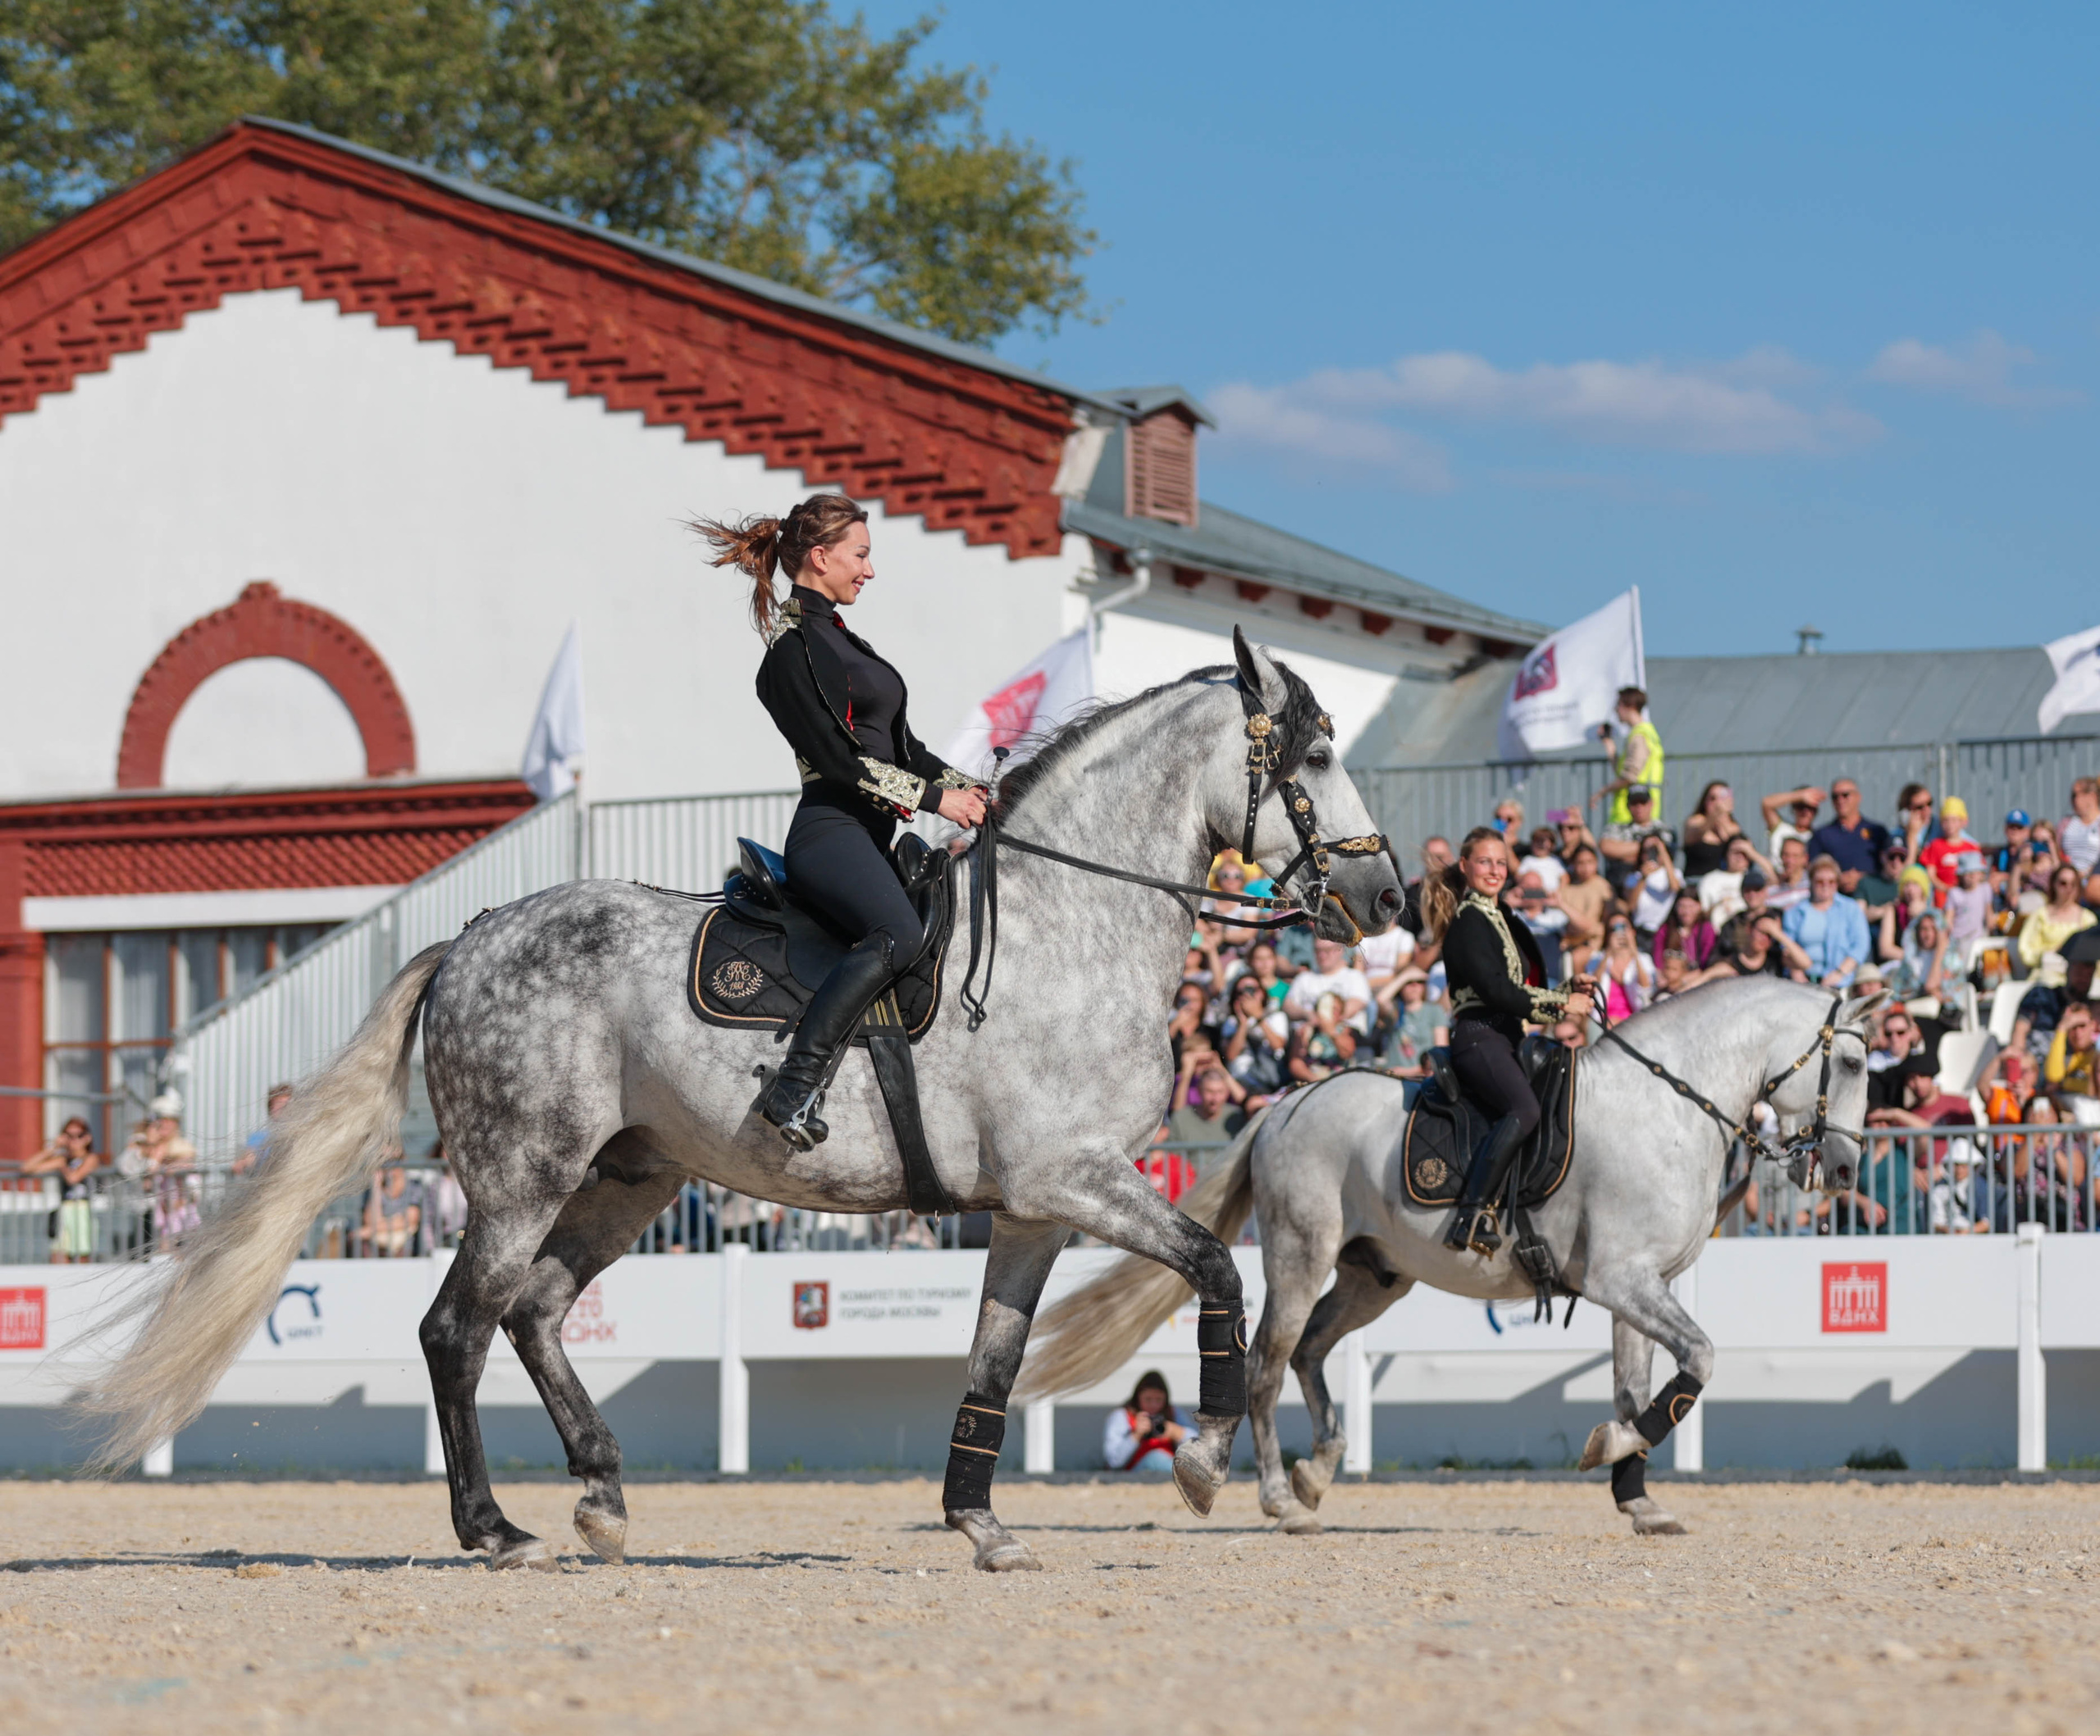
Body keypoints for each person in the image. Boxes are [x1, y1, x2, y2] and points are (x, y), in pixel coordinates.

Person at [699, 494, 987, 1148]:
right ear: (821, 557)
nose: (870, 571)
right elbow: (837, 758)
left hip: (871, 832)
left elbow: (906, 750)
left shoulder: (843, 640)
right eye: (861, 555)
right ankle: (794, 1086)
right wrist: (935, 801)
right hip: (830, 833)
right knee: (898, 935)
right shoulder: (791, 648)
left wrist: (975, 788)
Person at [1422, 827, 1591, 1253]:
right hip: (1480, 1037)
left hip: (1507, 1037)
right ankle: (1472, 1213)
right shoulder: (1468, 921)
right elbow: (1498, 992)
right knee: (1524, 1108)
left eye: (1501, 863)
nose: (1494, 870)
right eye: (1485, 862)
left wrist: (1570, 989)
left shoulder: (1501, 919)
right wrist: (1561, 1004)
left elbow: (1522, 984)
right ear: (1465, 867)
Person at [1783, 855, 1870, 989]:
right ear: (1811, 881)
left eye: (1831, 881)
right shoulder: (1795, 912)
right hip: (1801, 983)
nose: (1826, 886)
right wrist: (1797, 974)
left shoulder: (1851, 908)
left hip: (1840, 982)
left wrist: (1839, 974)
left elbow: (1861, 945)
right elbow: (1787, 947)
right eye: (1820, 881)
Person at [21, 1118, 101, 1264]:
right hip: (65, 1210)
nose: (74, 1140)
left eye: (79, 1135)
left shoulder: (91, 1158)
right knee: (58, 1257)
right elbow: (27, 1167)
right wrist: (52, 1148)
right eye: (69, 1136)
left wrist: (61, 1165)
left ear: (87, 1138)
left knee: (82, 1258)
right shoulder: (62, 1159)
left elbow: (74, 1178)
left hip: (82, 1211)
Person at [1591, 687, 1664, 826]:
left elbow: (1630, 776)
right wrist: (1608, 743)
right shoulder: (1646, 733)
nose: (1616, 710)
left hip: (1633, 812)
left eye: (1618, 705)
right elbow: (1624, 771)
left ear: (1630, 706)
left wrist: (1601, 792)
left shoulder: (1640, 735)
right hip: (1640, 810)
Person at [1810, 779, 1893, 897]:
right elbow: (1814, 869)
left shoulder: (1877, 831)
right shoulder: (1822, 834)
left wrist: (1863, 878)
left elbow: (1891, 867)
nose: (1840, 800)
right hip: (1835, 900)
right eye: (1835, 796)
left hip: (1873, 899)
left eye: (1845, 795)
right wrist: (1838, 879)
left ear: (1858, 797)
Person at [1284, 935, 1372, 1035]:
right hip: (1309, 1037)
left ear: (1340, 950)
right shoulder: (1304, 978)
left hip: (1345, 1035)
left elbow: (1355, 1005)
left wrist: (1322, 1019)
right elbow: (1288, 1006)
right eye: (1318, 950)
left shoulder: (1355, 977)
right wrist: (1306, 1014)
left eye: (1327, 950)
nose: (1322, 955)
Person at [2019, 863, 2096, 976]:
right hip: (2047, 974)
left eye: (2073, 884)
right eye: (2063, 883)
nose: (2068, 889)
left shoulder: (2088, 918)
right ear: (2054, 884)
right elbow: (2026, 950)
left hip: (2080, 979)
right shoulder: (2040, 915)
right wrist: (2048, 955)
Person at [1103, 1370, 1188, 1473]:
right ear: (1138, 1398)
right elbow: (1114, 1462)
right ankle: (1189, 1477)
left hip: (1169, 1471)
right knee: (1156, 1458)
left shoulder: (1173, 1413)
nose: (1153, 1405)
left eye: (1158, 1400)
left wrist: (1179, 1433)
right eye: (1148, 1399)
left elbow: (1201, 1448)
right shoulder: (1122, 1416)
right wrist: (1135, 1436)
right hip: (1134, 1473)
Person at [1554, 843, 1614, 976]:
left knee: (1578, 958)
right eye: (1580, 863)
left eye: (1590, 862)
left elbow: (1596, 925)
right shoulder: (1568, 889)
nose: (1585, 868)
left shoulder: (1601, 886)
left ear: (1596, 863)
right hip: (1568, 940)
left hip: (1592, 941)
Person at [1169, 1066, 1248, 1163]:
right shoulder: (1181, 1118)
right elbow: (1172, 1158)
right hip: (1191, 1177)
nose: (1215, 1099)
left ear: (1228, 1093)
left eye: (1220, 1092)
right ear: (1199, 1090)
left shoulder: (1236, 1117)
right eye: (1209, 1092)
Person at [1681, 781, 1747, 879]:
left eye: (1721, 798)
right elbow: (1695, 833)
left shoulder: (1733, 826)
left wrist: (1723, 819)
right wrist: (1715, 815)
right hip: (1696, 882)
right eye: (1712, 799)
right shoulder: (1696, 820)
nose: (1717, 803)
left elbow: (1735, 840)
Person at [1595, 913, 1654, 1020]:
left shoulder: (1644, 959)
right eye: (1614, 928)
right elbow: (1593, 986)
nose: (1620, 932)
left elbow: (1647, 987)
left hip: (1634, 1019)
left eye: (1623, 927)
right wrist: (1608, 953)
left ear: (1632, 931)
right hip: (1604, 1020)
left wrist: (1634, 952)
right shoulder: (1597, 958)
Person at [1654, 886, 1718, 974]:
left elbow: (1707, 959)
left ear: (1699, 907)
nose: (1686, 912)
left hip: (1698, 976)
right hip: (1671, 977)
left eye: (1691, 907)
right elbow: (1658, 957)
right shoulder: (1666, 929)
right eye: (1682, 906)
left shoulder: (1706, 929)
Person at [235, 1083, 293, 1177]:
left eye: (287, 1105)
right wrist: (243, 1162)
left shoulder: (303, 1135)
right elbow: (251, 1156)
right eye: (279, 1105)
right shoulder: (260, 1137)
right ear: (271, 1109)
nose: (284, 1109)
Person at [1760, 785, 1825, 863]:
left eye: (1810, 808)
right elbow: (1766, 804)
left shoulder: (1819, 838)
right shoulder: (1781, 828)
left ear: (1815, 811)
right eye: (1800, 806)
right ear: (1793, 809)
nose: (1805, 812)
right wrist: (1800, 796)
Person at [2061, 778, 2100, 894]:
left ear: (2092, 796)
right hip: (2068, 879)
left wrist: (2088, 874)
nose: (2072, 800)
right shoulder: (2066, 824)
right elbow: (2058, 852)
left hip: (2094, 879)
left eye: (2076, 795)